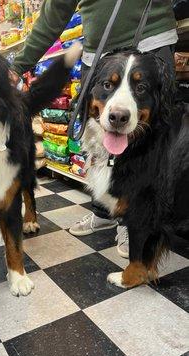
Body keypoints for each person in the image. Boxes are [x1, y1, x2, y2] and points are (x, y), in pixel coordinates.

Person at [10, 0, 177, 258]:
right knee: (97, 142)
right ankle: (105, 211)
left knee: (148, 152)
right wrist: (19, 64)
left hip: (150, 42)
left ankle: (133, 223)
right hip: (96, 52)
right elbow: (57, 8)